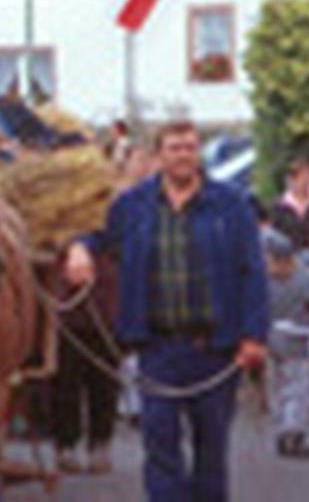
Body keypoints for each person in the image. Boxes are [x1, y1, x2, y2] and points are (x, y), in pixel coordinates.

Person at [66, 119, 268, 502]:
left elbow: (252, 272)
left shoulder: (231, 204)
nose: (183, 156)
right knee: (160, 450)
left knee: (211, 453)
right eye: (174, 148)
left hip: (215, 348)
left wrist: (254, 335)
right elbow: (99, 236)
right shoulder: (133, 205)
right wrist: (80, 248)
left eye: (190, 147)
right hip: (158, 349)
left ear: (199, 155)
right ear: (159, 156)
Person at [43, 255, 120, 475]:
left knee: (104, 382)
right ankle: (66, 443)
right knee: (65, 382)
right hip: (64, 308)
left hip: (104, 304)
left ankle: (100, 441)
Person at [265, 229, 309, 458]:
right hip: (280, 339)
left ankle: (290, 432)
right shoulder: (306, 280)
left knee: (293, 387)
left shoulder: (302, 280)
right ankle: (288, 432)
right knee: (287, 388)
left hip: (293, 339)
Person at [270, 158, 309, 251]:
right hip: (296, 255)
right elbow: (280, 235)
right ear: (292, 180)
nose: (306, 181)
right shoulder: (280, 207)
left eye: (308, 176)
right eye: (302, 178)